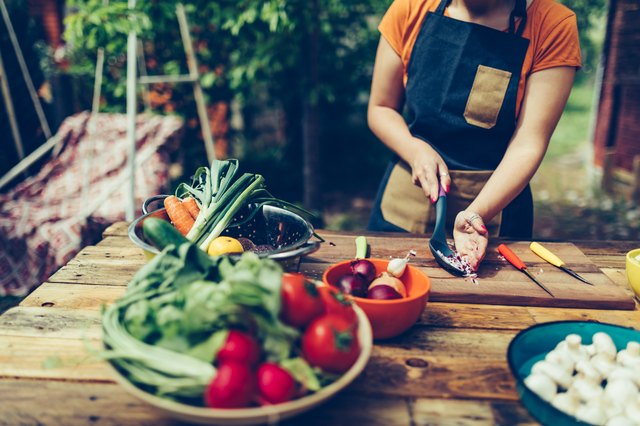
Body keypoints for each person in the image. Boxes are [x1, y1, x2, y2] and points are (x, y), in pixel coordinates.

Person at [367, 0, 581, 271]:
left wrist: (476, 214)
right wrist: (414, 150)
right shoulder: (411, 7)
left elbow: (529, 143)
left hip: (494, 215)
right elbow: (381, 108)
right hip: (404, 201)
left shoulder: (552, 24)